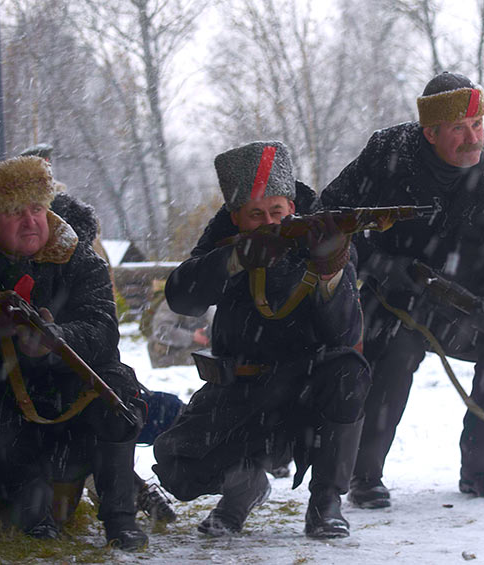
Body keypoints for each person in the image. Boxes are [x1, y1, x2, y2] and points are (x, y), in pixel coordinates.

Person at [320, 72, 484, 507]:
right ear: (430, 131)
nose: (473, 137)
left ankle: (481, 470)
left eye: (477, 124)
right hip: (396, 295)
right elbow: (329, 216)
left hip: (475, 299)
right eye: (459, 128)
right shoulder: (387, 153)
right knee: (391, 353)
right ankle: (365, 475)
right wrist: (382, 264)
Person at [0, 156, 148, 550]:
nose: (31, 221)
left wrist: (56, 339)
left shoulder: (80, 260)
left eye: (37, 209)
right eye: (14, 213)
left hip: (79, 397)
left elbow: (102, 330)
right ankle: (35, 511)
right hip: (7, 405)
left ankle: (120, 518)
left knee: (118, 402)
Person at [153, 141, 370, 539]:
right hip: (241, 392)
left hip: (305, 393)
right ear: (236, 217)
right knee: (174, 462)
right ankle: (243, 485)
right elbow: (183, 296)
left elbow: (345, 335)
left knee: (348, 372)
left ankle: (326, 501)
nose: (270, 221)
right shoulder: (222, 245)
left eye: (277, 211)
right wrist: (238, 259)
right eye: (256, 214)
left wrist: (328, 271)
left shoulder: (324, 238)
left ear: (292, 207)